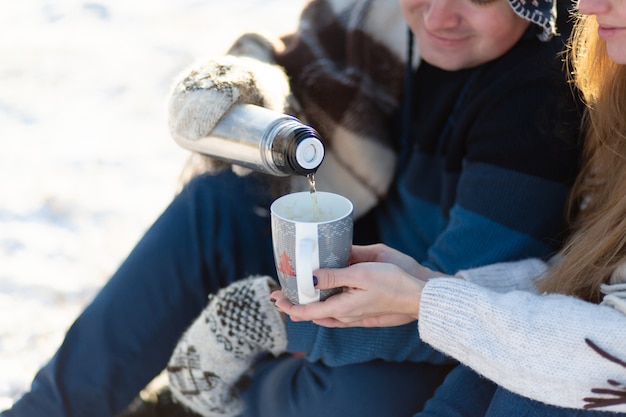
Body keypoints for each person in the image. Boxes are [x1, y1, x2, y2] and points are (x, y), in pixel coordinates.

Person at [0, 0, 583, 416]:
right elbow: (299, 67)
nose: (437, 16)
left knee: (366, 401)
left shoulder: (537, 97)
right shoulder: (384, 22)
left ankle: (210, 396)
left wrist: (276, 324)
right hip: (350, 265)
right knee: (218, 206)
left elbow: (456, 312)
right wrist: (249, 92)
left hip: (433, 325)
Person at [272, 1, 626, 414]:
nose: (586, 5)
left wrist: (425, 299)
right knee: (216, 202)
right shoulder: (613, 91)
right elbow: (582, 278)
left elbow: (610, 351)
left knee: (350, 395)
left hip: (564, 371)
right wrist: (430, 283)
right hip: (526, 347)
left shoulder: (537, 94)